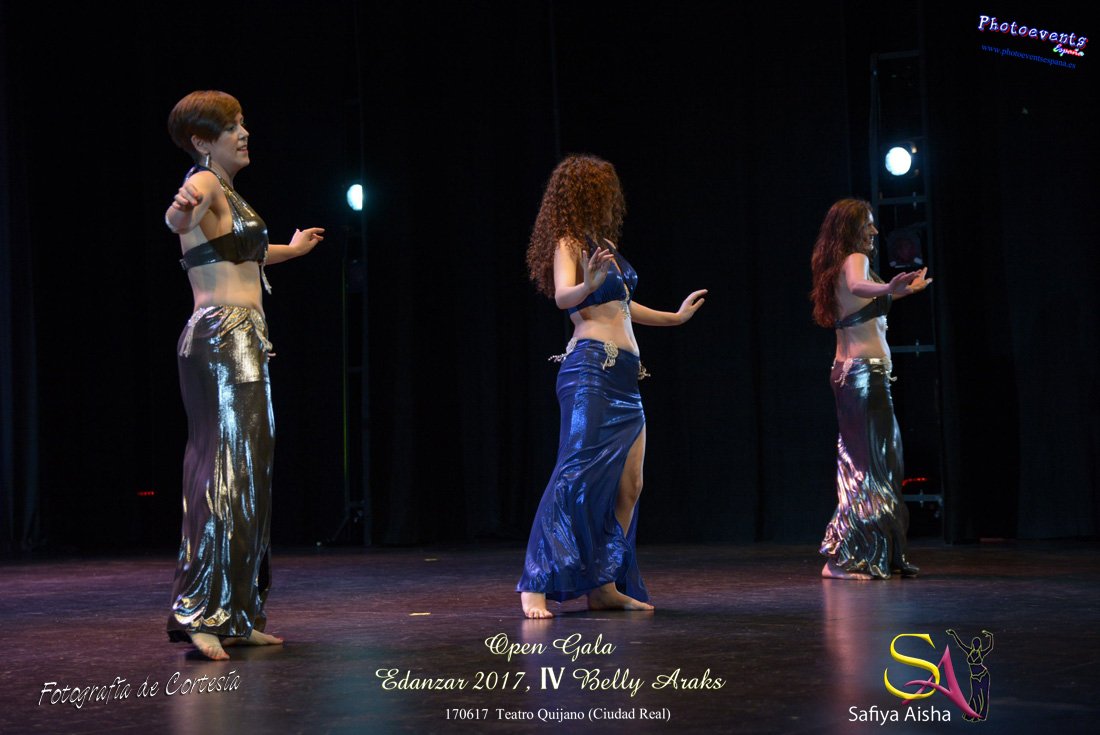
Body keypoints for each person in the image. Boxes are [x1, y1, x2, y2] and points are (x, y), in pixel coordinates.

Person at [163, 90, 324, 659]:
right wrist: (179, 209)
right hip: (221, 338)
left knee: (250, 477)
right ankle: (200, 611)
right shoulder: (204, 181)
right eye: (231, 126)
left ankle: (237, 611)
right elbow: (177, 217)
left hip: (245, 338)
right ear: (203, 141)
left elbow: (240, 254)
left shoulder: (228, 191)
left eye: (242, 123)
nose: (243, 132)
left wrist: (293, 251)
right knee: (223, 474)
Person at [517, 154, 707, 618]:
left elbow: (623, 306)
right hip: (591, 372)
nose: (611, 198)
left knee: (630, 484)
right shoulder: (569, 242)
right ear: (584, 194)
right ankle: (536, 582)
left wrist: (674, 318)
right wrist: (588, 284)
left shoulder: (604, 246)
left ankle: (603, 584)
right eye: (602, 190)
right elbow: (563, 296)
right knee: (574, 473)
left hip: (625, 377)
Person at [810, 198, 931, 580]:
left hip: (854, 375)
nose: (875, 231)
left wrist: (903, 291)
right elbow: (857, 285)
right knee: (869, 469)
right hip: (863, 375)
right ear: (852, 228)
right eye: (869, 224)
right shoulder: (855, 259)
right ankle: (845, 558)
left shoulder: (838, 263)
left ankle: (867, 552)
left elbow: (861, 295)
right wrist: (889, 286)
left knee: (869, 466)